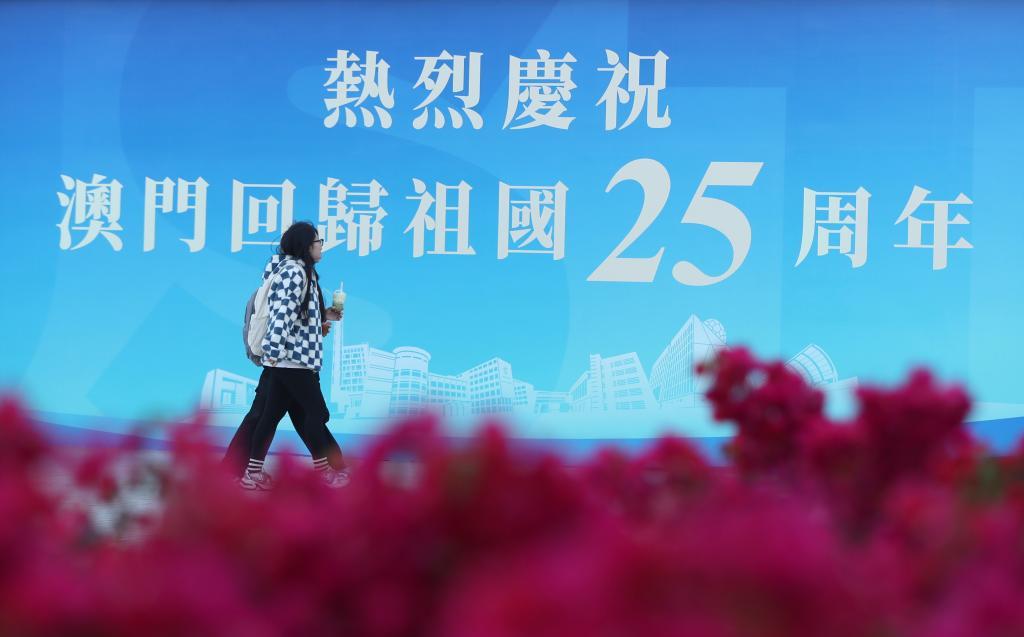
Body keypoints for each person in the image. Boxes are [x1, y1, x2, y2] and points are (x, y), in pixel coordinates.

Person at [237, 221, 350, 490]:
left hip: (288, 358)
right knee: (317, 413)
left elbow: (296, 314)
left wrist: (324, 315)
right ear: (306, 246)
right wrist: (273, 352)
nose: (321, 246)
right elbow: (281, 315)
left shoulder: (297, 270)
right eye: (318, 242)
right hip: (292, 360)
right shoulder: (295, 272)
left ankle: (252, 474)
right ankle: (323, 472)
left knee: (270, 416)